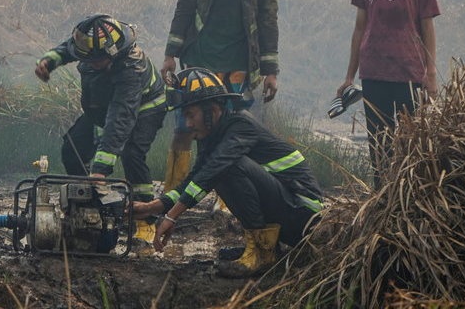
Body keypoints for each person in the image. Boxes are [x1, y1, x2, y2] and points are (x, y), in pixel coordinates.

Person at [133, 68, 324, 277]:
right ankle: (262, 246)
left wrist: (172, 217)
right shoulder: (212, 134)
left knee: (227, 167)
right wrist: (154, 207)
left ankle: (262, 253)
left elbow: (212, 172)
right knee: (214, 170)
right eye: (184, 116)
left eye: (191, 115)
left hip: (303, 216)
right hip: (286, 210)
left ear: (213, 110)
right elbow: (195, 178)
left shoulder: (241, 125)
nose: (187, 124)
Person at [159, 0, 280, 193]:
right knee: (184, 127)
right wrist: (170, 55)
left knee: (230, 133)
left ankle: (227, 197)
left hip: (238, 66)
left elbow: (268, 23)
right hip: (197, 63)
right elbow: (184, 9)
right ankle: (173, 192)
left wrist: (271, 72)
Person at [34, 14, 168, 244]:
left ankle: (146, 222)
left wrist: (100, 170)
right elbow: (67, 49)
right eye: (87, 59)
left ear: (113, 53)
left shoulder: (131, 68)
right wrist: (48, 61)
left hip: (145, 107)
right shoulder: (90, 45)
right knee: (72, 148)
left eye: (96, 60)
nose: (90, 64)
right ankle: (85, 208)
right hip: (104, 108)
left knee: (132, 154)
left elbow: (120, 119)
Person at [338, 0, 440, 189]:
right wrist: (349, 76)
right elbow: (360, 29)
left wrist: (431, 73)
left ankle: (410, 198)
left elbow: (427, 24)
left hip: (409, 72)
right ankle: (383, 198)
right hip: (374, 72)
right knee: (380, 145)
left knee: (412, 145)